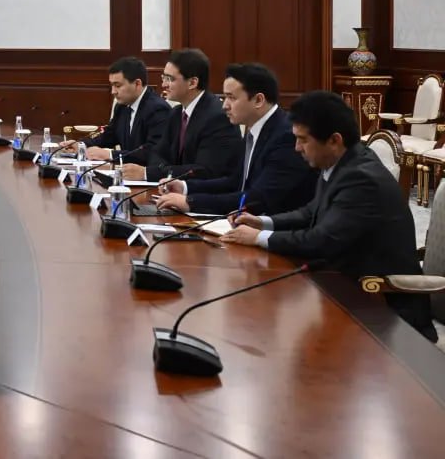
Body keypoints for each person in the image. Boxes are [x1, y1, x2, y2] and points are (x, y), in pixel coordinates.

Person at [221, 91, 437, 342]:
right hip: (345, 288)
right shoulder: (341, 162)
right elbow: (311, 212)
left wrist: (258, 237)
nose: (296, 148)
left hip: (383, 311)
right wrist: (263, 222)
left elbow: (320, 241)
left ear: (334, 140)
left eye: (303, 140)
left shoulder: (361, 178)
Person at [155, 63, 315, 215]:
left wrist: (191, 202)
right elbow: (235, 182)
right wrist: (185, 187)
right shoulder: (254, 129)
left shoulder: (286, 136)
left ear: (258, 100)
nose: (225, 105)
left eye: (231, 98)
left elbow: (258, 197)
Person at [121, 48, 240, 183]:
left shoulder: (217, 117)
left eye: (170, 79)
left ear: (192, 83)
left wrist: (148, 173)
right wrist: (159, 171)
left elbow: (204, 170)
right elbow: (158, 154)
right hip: (171, 189)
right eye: (164, 78)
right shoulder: (176, 113)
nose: (164, 84)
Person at [73, 56, 170, 164]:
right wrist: (81, 145)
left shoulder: (157, 109)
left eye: (118, 86)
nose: (113, 91)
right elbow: (110, 135)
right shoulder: (122, 106)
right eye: (112, 85)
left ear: (137, 84)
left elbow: (152, 152)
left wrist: (110, 155)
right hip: (126, 171)